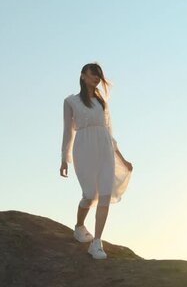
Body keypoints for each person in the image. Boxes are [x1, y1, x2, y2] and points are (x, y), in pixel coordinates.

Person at [60, 62, 133, 259]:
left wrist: (122, 159)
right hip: (84, 149)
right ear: (83, 75)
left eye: (99, 75)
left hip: (104, 150)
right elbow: (68, 131)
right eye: (93, 74)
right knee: (90, 194)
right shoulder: (71, 102)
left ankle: (96, 242)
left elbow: (109, 133)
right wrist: (64, 158)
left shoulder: (102, 103)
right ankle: (79, 227)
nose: (97, 78)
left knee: (105, 195)